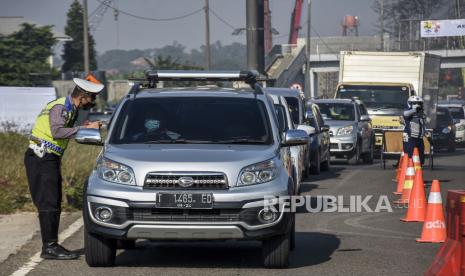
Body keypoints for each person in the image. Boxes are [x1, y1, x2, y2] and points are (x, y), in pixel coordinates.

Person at [24, 76, 103, 260]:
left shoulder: (70, 109)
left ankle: (51, 245)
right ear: (83, 95)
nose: (93, 102)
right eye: (92, 98)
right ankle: (49, 247)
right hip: (41, 157)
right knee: (49, 201)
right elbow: (57, 131)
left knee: (53, 201)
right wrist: (84, 129)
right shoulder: (61, 107)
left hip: (47, 158)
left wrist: (85, 129)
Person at [402, 95, 428, 165]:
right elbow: (405, 114)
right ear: (410, 104)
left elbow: (423, 125)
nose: (417, 105)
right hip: (411, 137)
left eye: (419, 103)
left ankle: (418, 170)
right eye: (415, 103)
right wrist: (414, 110)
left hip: (420, 138)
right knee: (409, 155)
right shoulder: (408, 111)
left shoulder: (421, 113)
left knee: (421, 157)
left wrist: (427, 135)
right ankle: (407, 168)